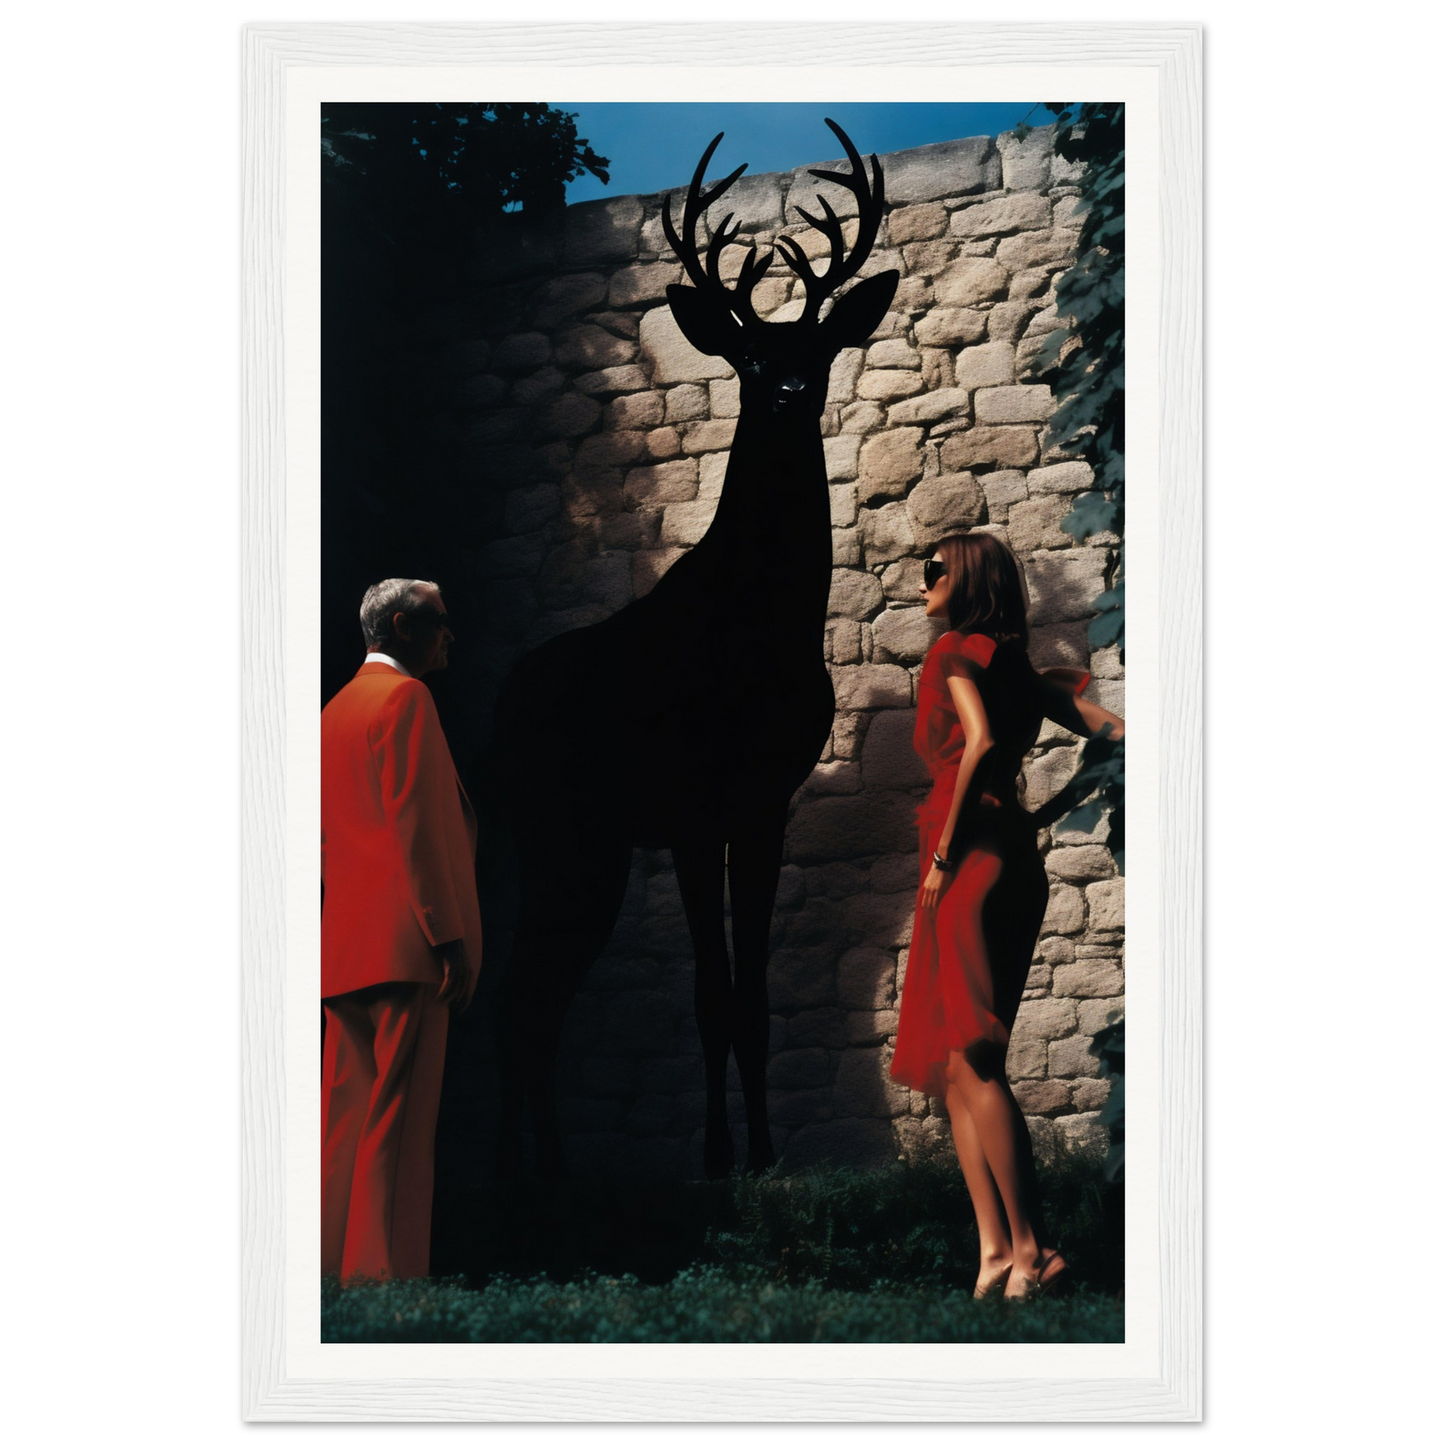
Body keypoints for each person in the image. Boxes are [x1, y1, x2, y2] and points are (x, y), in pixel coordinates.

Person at [889, 533, 1124, 1301]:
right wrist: (1052, 806)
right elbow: (1113, 735)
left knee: (974, 1057)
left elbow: (981, 742)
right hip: (1007, 858)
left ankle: (1031, 1248)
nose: (923, 580)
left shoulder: (953, 648)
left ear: (967, 579)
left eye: (934, 569)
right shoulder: (1019, 668)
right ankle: (993, 1252)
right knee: (961, 1060)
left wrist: (943, 856)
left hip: (966, 863)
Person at [320, 578, 482, 1282]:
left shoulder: (331, 712)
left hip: (345, 947)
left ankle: (329, 1274)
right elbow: (416, 827)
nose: (450, 635)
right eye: (439, 622)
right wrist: (449, 938)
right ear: (398, 625)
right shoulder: (406, 699)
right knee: (400, 1124)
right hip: (410, 948)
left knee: (343, 1124)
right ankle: (387, 1286)